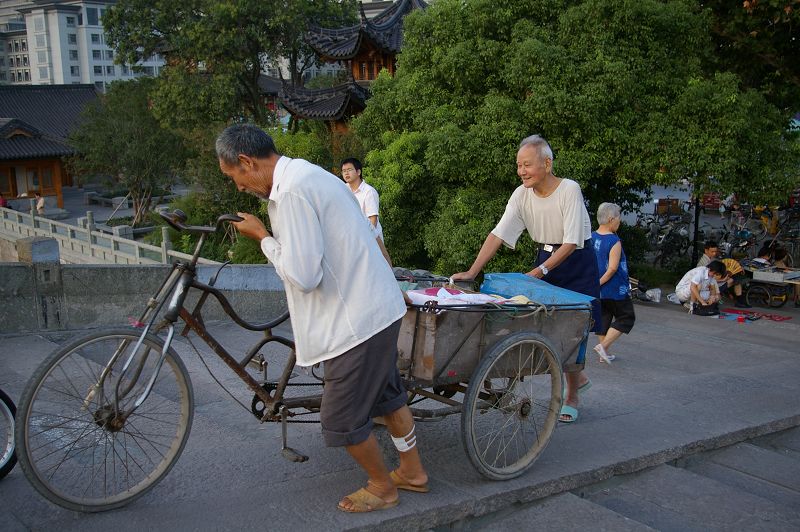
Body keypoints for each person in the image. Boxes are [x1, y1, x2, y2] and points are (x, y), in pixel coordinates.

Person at [215, 124, 427, 513]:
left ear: (246, 162)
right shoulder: (303, 174)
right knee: (387, 397)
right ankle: (412, 473)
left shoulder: (292, 192)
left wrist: (262, 237)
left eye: (235, 178)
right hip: (374, 308)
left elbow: (304, 275)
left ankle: (383, 486)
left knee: (340, 420)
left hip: (357, 321)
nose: (239, 188)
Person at [451, 134, 600, 424]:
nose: (521, 171)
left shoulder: (569, 189)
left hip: (577, 261)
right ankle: (577, 376)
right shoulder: (521, 194)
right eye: (519, 165)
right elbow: (498, 233)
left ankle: (572, 395)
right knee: (542, 325)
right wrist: (472, 271)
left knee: (573, 328)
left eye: (527, 165)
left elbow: (571, 242)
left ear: (547, 163)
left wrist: (541, 271)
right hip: (545, 258)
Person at [591, 203, 635, 364]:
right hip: (615, 288)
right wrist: (598, 282)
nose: (619, 221)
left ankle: (603, 352)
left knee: (604, 317)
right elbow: (612, 269)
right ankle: (604, 347)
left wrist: (594, 284)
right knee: (627, 317)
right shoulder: (614, 241)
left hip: (599, 290)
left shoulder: (592, 237)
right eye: (618, 218)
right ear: (611, 219)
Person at [341, 157, 384, 241]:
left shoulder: (369, 192)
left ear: (358, 172)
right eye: (344, 171)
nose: (346, 173)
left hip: (370, 240)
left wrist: (363, 239)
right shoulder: (342, 190)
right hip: (351, 239)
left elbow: (373, 221)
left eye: (349, 170)